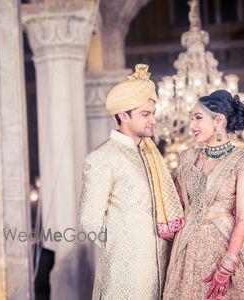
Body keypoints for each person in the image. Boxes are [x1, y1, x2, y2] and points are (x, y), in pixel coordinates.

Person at [79, 64, 184, 300]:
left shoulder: (150, 155)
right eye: (145, 114)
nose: (152, 120)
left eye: (153, 113)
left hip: (160, 267)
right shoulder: (102, 157)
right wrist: (123, 247)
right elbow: (89, 218)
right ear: (124, 116)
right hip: (124, 272)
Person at [163, 90, 244, 300]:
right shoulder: (188, 158)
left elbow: (243, 218)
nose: (192, 126)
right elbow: (176, 204)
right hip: (187, 251)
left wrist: (227, 266)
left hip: (226, 248)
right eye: (191, 119)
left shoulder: (243, 161)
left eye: (198, 118)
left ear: (219, 120)